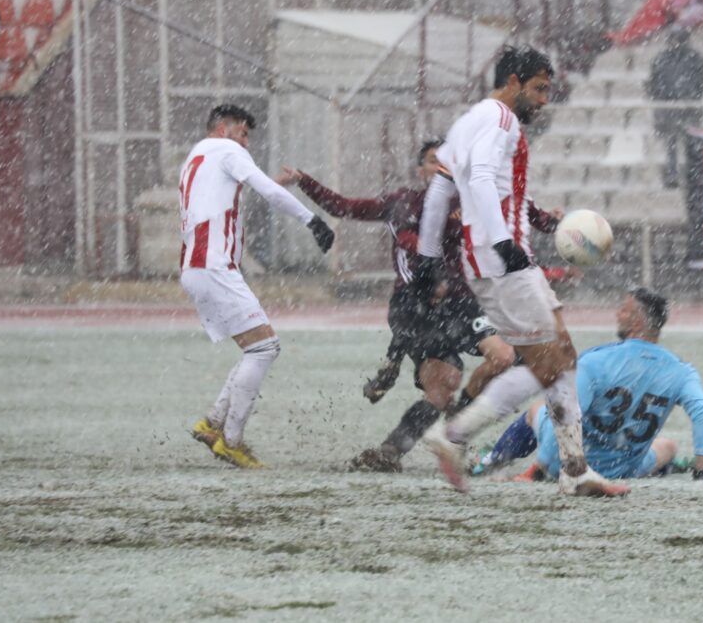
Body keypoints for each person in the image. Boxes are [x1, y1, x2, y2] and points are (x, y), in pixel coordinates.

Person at [416, 44, 629, 497]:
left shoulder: (469, 120)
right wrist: (502, 242)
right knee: (549, 366)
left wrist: (427, 256)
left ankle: (575, 470)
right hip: (502, 262)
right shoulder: (501, 119)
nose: (544, 100)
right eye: (539, 89)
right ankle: (453, 434)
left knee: (563, 353)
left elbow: (440, 191)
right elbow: (478, 179)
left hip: (502, 258)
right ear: (513, 82)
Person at [275, 139, 554, 473]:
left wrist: (554, 223)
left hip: (463, 302)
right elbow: (343, 207)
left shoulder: (471, 200)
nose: (442, 167)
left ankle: (458, 417)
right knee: (441, 388)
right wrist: (304, 180)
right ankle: (389, 452)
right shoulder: (404, 203)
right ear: (421, 170)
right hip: (417, 307)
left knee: (505, 356)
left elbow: (516, 209)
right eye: (434, 161)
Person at [181, 104, 335, 469]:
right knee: (265, 348)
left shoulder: (197, 155)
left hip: (195, 266)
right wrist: (312, 220)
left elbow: (231, 195)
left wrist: (271, 183)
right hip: (213, 266)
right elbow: (264, 190)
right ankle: (231, 442)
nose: (246, 143)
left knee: (255, 348)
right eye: (243, 133)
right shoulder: (226, 149)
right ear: (223, 129)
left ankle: (212, 423)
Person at [476, 287, 703, 483]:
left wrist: (538, 469)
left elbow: (566, 412)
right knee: (668, 447)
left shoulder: (597, 360)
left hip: (574, 467)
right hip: (623, 470)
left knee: (537, 409)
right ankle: (674, 469)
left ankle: (490, 462)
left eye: (623, 310)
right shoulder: (681, 371)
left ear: (637, 324)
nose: (617, 314)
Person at [647, 28, 703, 188]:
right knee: (672, 144)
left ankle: (692, 176)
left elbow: (700, 82)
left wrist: (691, 98)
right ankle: (673, 175)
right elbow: (654, 84)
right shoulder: (662, 59)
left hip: (688, 107)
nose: (676, 43)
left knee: (691, 144)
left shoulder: (694, 58)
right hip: (670, 108)